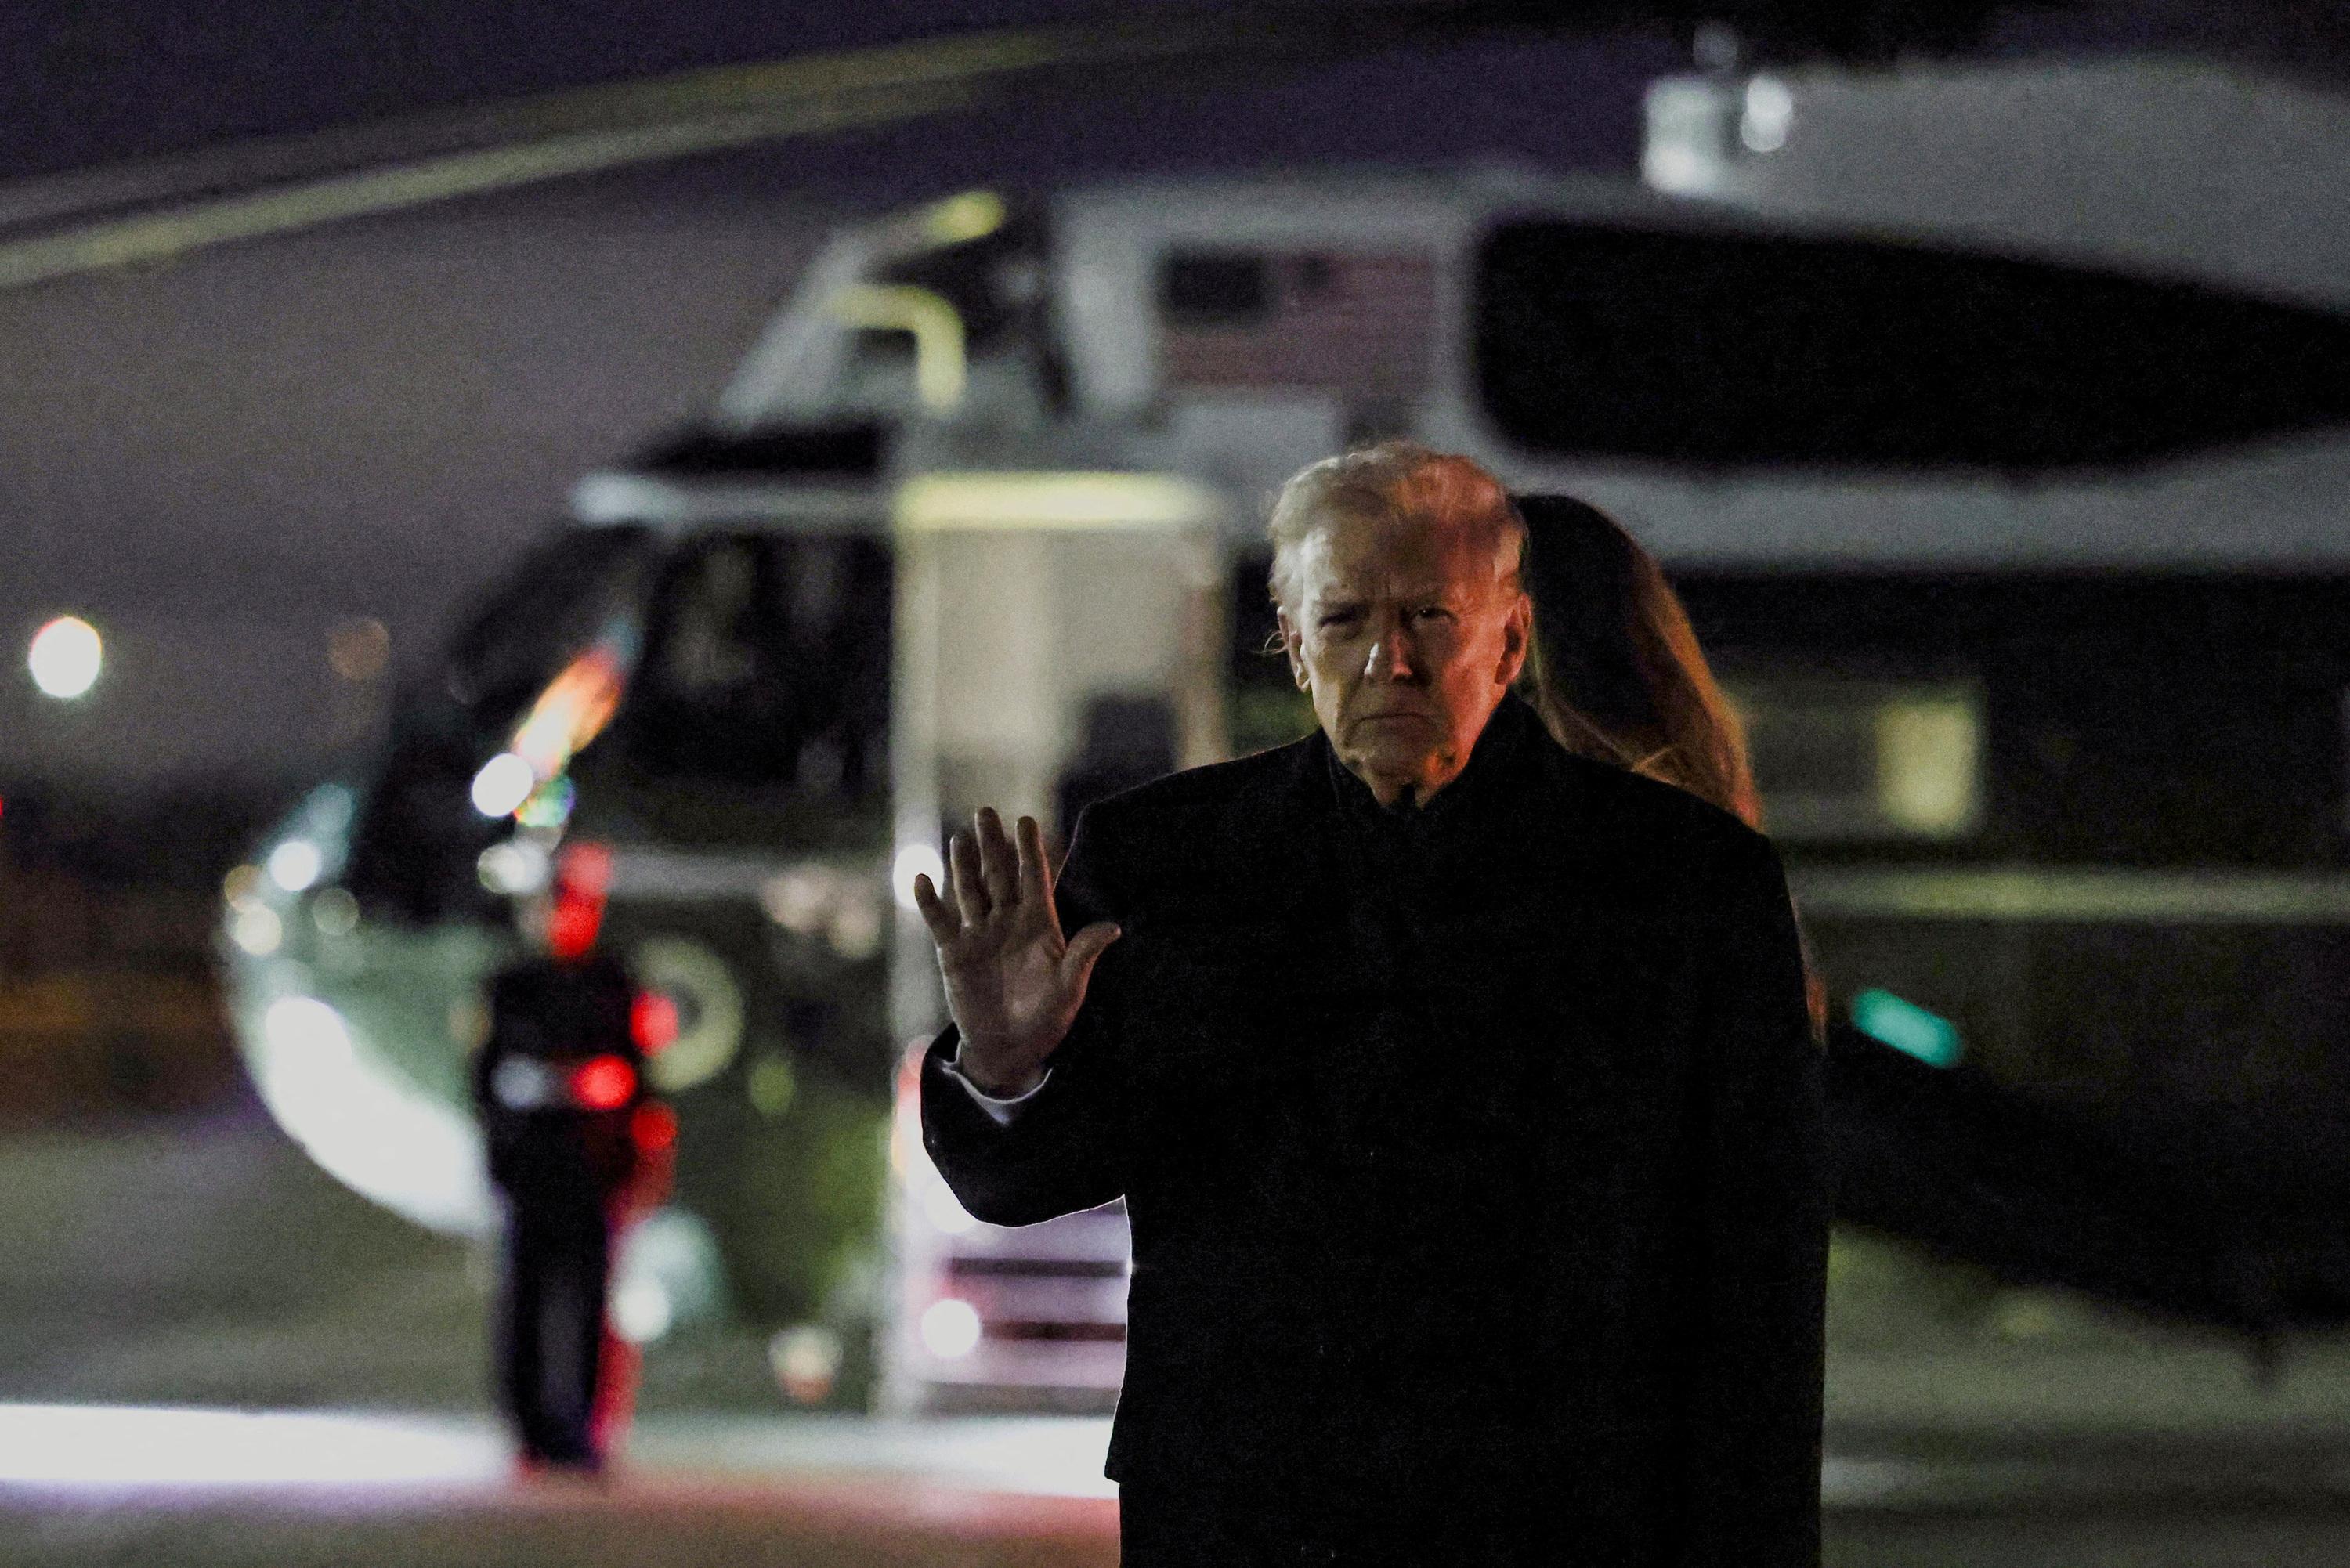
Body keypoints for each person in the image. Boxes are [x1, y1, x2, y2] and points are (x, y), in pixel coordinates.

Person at [916, 442, 1828, 1565]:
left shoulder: (1685, 882)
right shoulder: (1171, 859)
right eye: (1344, 620)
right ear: (1295, 645)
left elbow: (1759, 1278)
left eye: (1430, 618)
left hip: (1559, 1514)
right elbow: (1027, 1177)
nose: (1389, 661)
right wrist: (1008, 1065)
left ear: (1510, 639)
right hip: (1249, 1509)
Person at [472, 847, 669, 1474]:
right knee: (527, 1301)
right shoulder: (513, 987)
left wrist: (638, 1151)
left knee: (589, 1305)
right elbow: (488, 1079)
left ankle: (582, 1431)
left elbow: (638, 1079)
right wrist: (574, 1086)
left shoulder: (612, 984)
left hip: (593, 1168)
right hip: (532, 1167)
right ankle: (530, 1429)